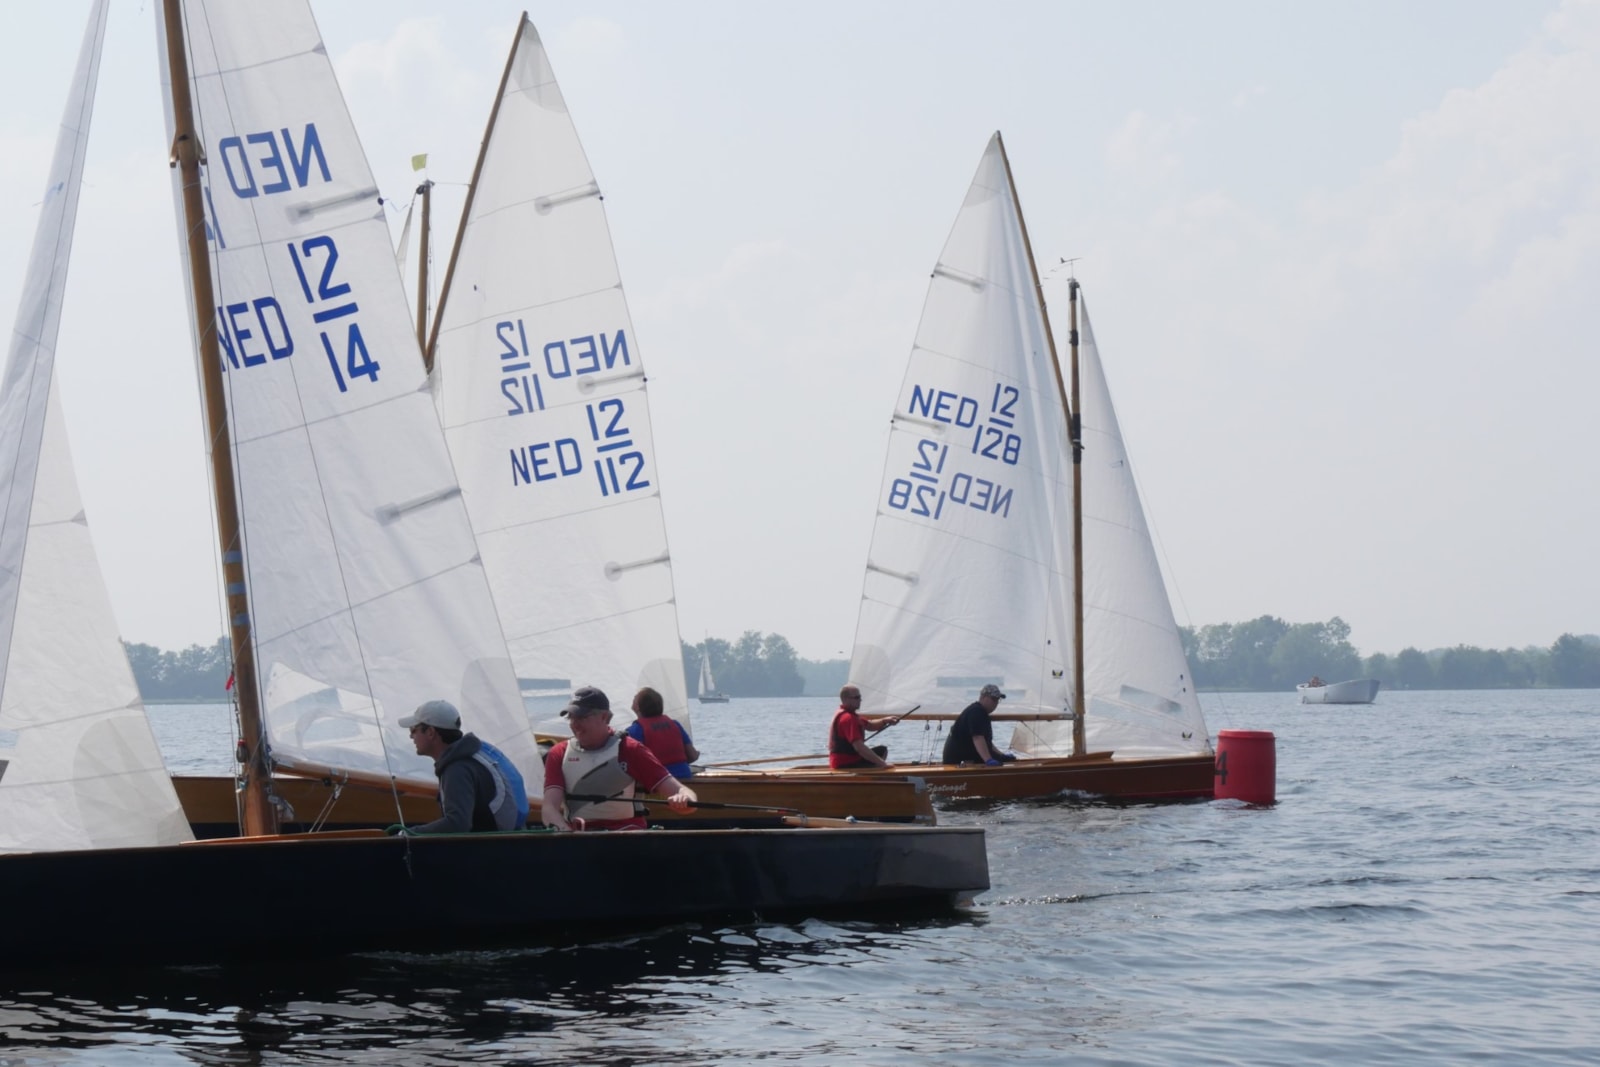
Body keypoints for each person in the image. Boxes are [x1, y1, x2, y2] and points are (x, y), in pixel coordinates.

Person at [542, 686, 697, 831]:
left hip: (626, 837)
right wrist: (566, 833)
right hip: (578, 838)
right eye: (571, 718)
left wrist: (684, 799)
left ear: (604, 717)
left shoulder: (631, 750)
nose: (575, 724)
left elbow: (684, 794)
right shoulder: (559, 753)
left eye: (582, 717)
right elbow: (549, 808)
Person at [394, 699, 527, 833]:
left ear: (430, 732)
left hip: (485, 845)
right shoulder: (469, 756)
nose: (411, 736)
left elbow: (457, 823)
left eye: (413, 730)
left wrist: (410, 834)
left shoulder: (457, 769)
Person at [624, 686, 700, 779]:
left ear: (637, 707)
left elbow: (628, 765)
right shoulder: (675, 724)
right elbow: (693, 756)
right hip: (685, 778)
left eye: (635, 697)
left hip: (659, 782)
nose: (633, 697)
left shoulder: (634, 731)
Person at [827, 684, 903, 769]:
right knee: (881, 752)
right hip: (845, 763)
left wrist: (885, 721)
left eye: (860, 697)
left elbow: (870, 725)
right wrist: (882, 764)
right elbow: (859, 747)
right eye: (857, 697)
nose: (860, 700)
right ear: (846, 699)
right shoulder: (848, 718)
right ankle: (876, 773)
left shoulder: (850, 715)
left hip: (841, 761)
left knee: (882, 750)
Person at [942, 684, 1018, 767]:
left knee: (1005, 760)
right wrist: (988, 760)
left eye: (997, 700)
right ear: (983, 697)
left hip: (965, 758)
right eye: (993, 699)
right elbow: (977, 737)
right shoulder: (976, 712)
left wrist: (1001, 755)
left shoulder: (981, 712)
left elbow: (986, 742)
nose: (996, 703)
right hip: (957, 762)